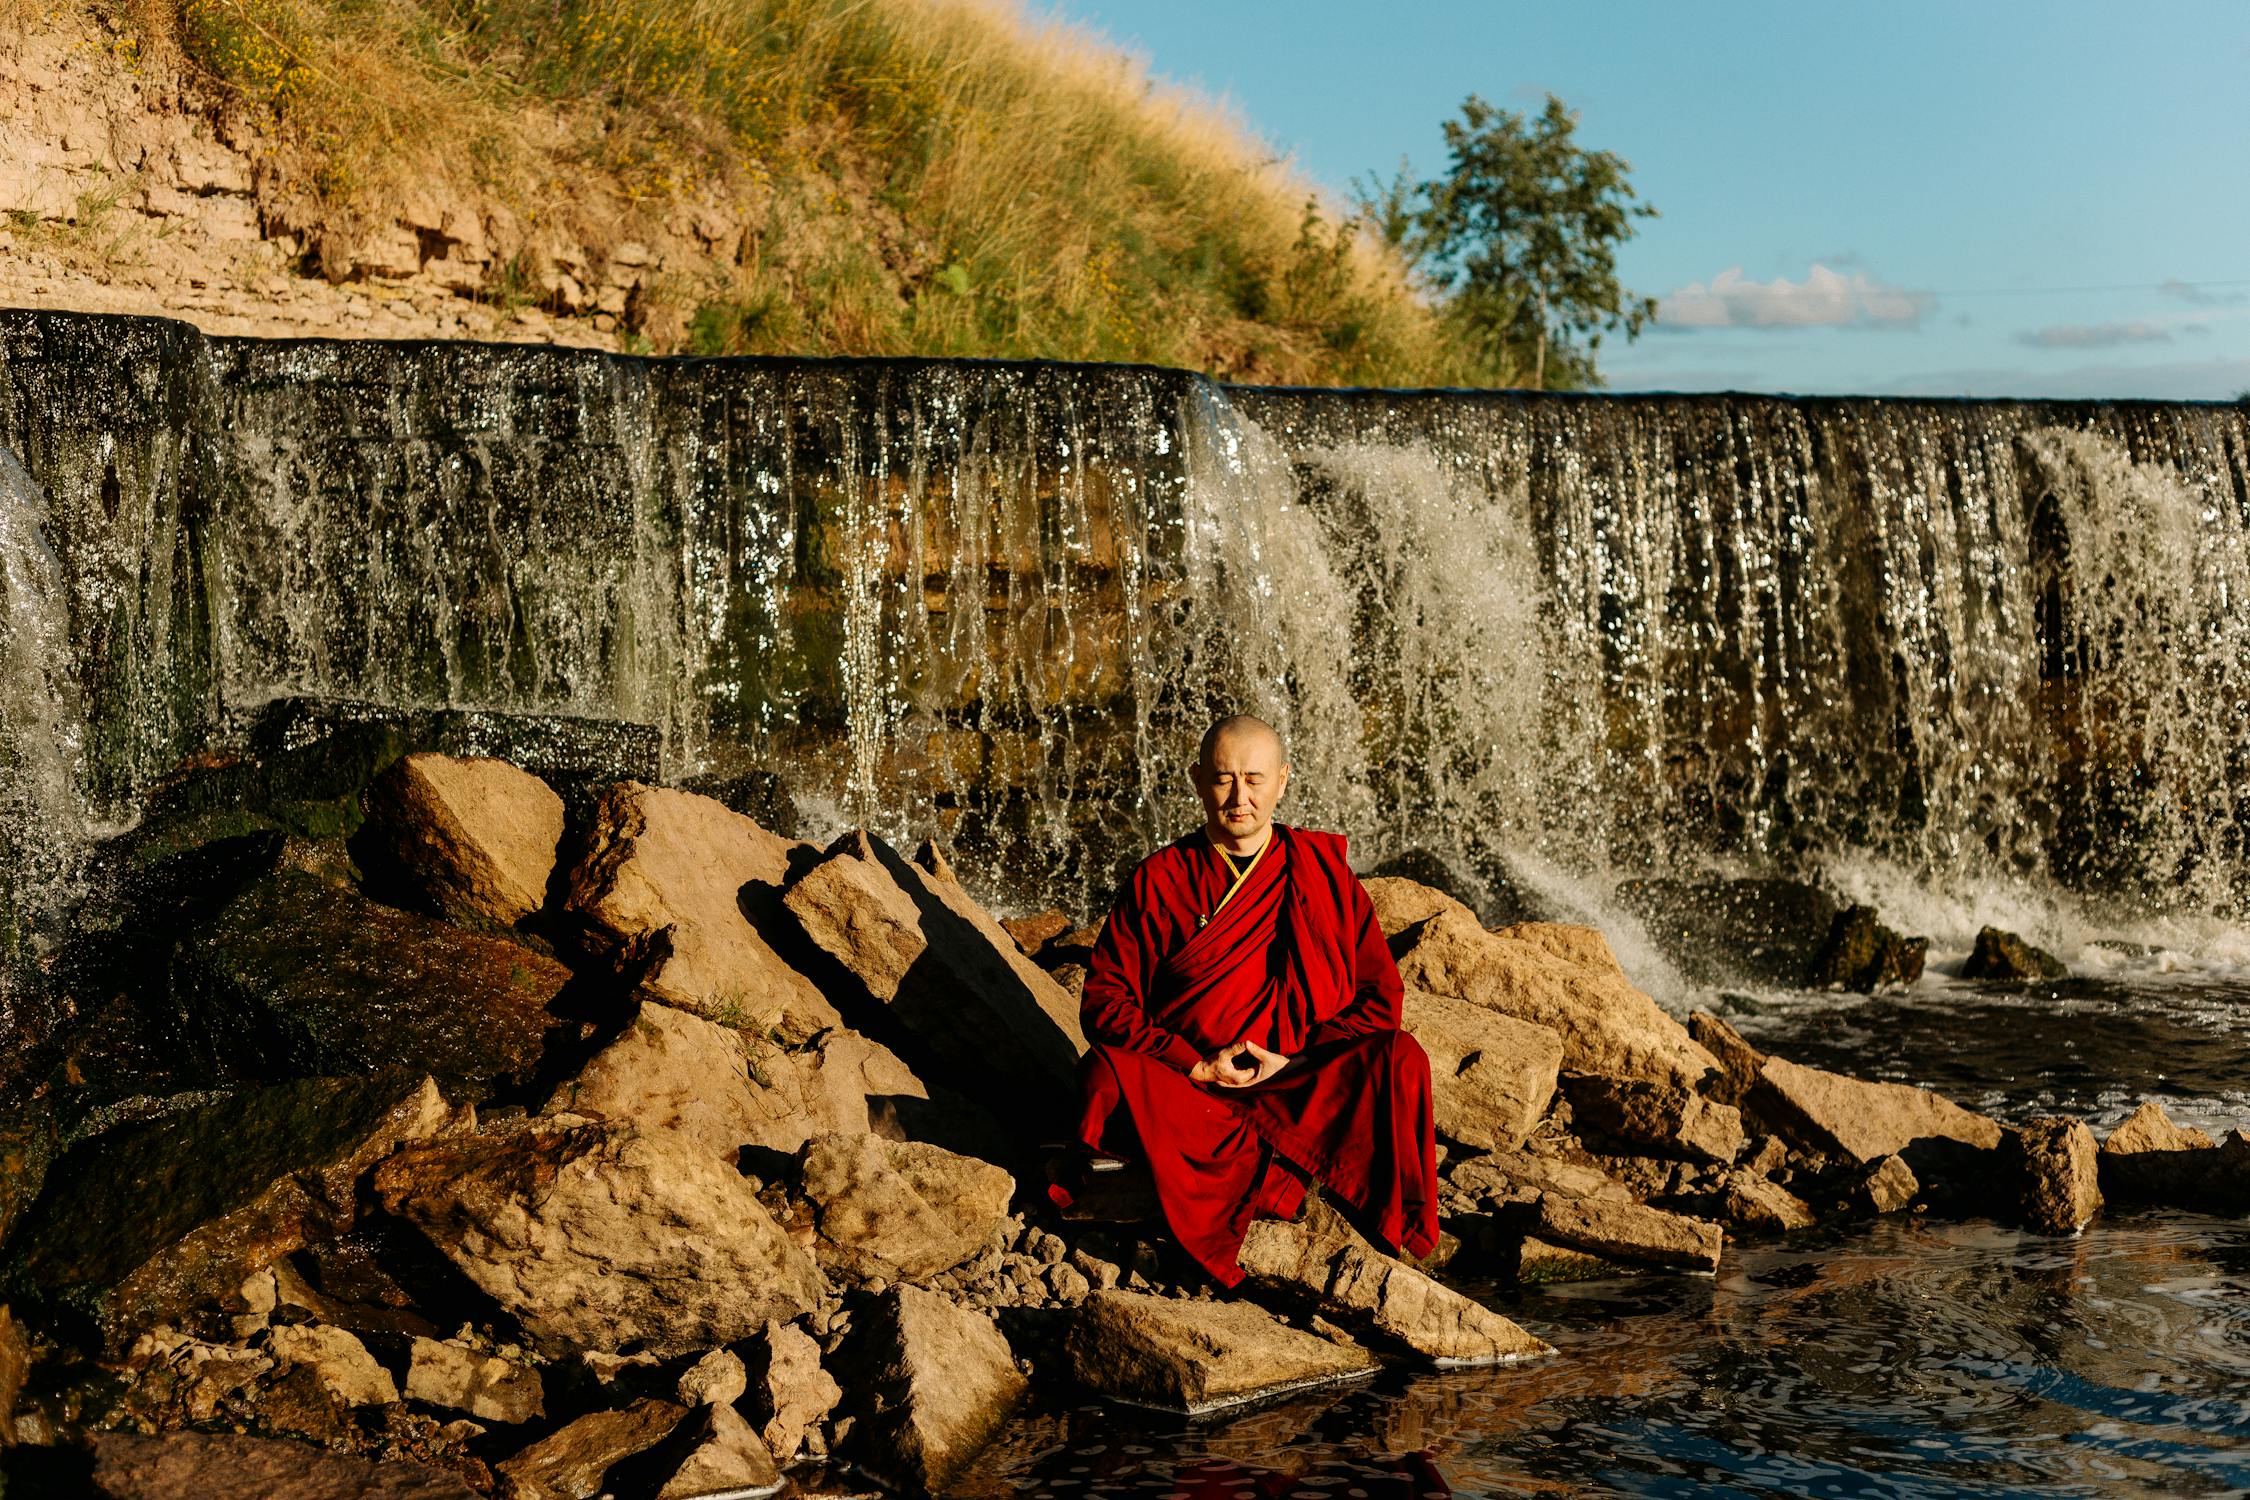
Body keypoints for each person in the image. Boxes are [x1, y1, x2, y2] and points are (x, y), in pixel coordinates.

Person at [1054, 714, 1439, 1287]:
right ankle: (1280, 1171)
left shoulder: (1324, 875)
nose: (1240, 797)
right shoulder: (1160, 879)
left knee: (1400, 1057)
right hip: (1192, 1084)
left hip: (1295, 1080)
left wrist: (1298, 1063)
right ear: (1197, 780)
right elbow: (1107, 1001)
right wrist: (1192, 1061)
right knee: (1107, 1073)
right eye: (1223, 779)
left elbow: (1379, 997)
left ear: (1283, 780)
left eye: (1255, 779)